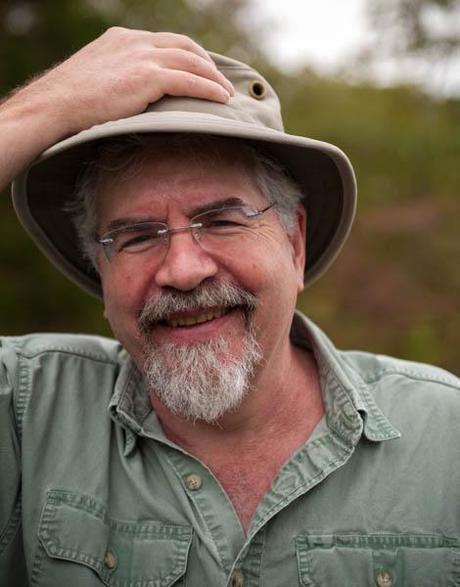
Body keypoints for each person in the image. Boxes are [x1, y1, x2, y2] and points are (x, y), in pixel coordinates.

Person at [1, 28, 459, 587]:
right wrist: (46, 107)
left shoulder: (447, 438)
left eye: (221, 220)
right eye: (137, 236)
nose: (184, 270)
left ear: (294, 243)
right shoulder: (25, 414)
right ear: (101, 273)